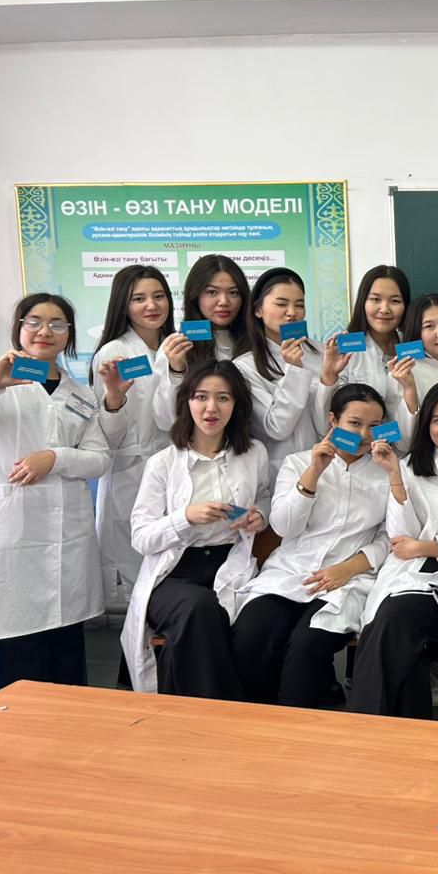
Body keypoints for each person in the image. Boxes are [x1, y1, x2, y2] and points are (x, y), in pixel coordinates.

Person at [230, 383, 391, 708]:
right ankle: (258, 721)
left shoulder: (386, 471)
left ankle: (307, 723)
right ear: (333, 420)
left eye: (374, 426)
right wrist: (315, 471)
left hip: (348, 580)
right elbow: (284, 527)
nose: (364, 435)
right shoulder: (298, 462)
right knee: (251, 636)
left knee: (306, 647)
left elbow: (390, 537)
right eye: (354, 423)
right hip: (291, 572)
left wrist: (348, 568)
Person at [0, 294, 110, 696]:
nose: (45, 331)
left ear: (69, 334)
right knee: (10, 648)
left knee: (64, 654)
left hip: (65, 541)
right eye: (34, 321)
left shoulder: (80, 393)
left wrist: (55, 458)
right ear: (18, 327)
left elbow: (99, 460)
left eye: (57, 324)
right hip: (9, 538)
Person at [123, 360, 269, 698]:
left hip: (231, 562)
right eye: (200, 397)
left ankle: (194, 710)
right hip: (174, 571)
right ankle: (227, 709)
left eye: (223, 398)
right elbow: (141, 537)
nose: (211, 408)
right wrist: (185, 517)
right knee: (200, 609)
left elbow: (263, 496)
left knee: (258, 621)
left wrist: (259, 516)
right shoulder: (163, 463)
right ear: (186, 402)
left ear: (236, 405)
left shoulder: (254, 453)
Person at [349, 380, 438, 718]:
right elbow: (400, 538)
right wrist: (394, 476)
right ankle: (403, 735)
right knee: (393, 636)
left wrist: (427, 547)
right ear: (426, 423)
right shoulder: (410, 465)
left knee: (392, 625)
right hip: (406, 576)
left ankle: (365, 730)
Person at [92, 264, 176, 613]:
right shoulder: (113, 353)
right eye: (139, 299)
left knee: (169, 565)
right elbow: (106, 433)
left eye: (158, 296)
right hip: (130, 472)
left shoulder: (175, 347)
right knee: (133, 567)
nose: (151, 305)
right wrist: (115, 398)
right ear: (123, 305)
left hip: (172, 468)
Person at [232, 267, 324, 481]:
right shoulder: (244, 366)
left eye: (299, 305)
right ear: (258, 310)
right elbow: (277, 427)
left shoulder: (322, 353)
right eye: (281, 304)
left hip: (324, 464)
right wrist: (294, 371)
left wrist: (330, 378)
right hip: (278, 470)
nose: (292, 312)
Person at [318, 265, 416, 452]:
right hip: (356, 455)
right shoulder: (344, 348)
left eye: (395, 301)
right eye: (375, 299)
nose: (384, 309)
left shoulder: (412, 348)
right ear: (363, 302)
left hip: (403, 455)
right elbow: (324, 424)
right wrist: (329, 375)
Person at [152, 254, 252, 429]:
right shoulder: (176, 345)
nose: (224, 302)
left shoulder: (255, 342)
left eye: (233, 293)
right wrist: (176, 370)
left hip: (246, 442)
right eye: (212, 292)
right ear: (195, 296)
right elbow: (165, 421)